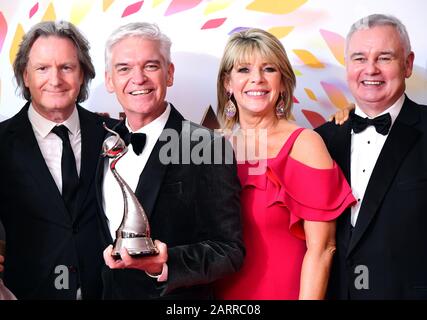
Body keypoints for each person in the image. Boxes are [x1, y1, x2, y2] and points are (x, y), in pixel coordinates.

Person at [97, 22, 244, 299]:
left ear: (170, 73)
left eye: (151, 66)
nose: (138, 78)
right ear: (109, 80)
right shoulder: (101, 141)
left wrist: (165, 264)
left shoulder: (206, 145)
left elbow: (229, 250)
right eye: (124, 68)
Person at [214, 28, 356, 300]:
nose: (257, 79)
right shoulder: (210, 147)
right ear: (227, 83)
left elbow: (323, 248)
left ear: (282, 82)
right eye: (243, 69)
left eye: (269, 69)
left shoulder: (305, 144)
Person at [0, 20, 116, 299]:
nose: (55, 80)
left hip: (107, 292)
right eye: (42, 68)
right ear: (25, 76)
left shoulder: (113, 134)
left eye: (66, 67)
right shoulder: (1, 142)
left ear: (83, 75)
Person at [315, 14, 427, 299]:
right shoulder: (319, 140)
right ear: (347, 66)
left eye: (384, 58)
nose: (371, 69)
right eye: (359, 58)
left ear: (408, 64)